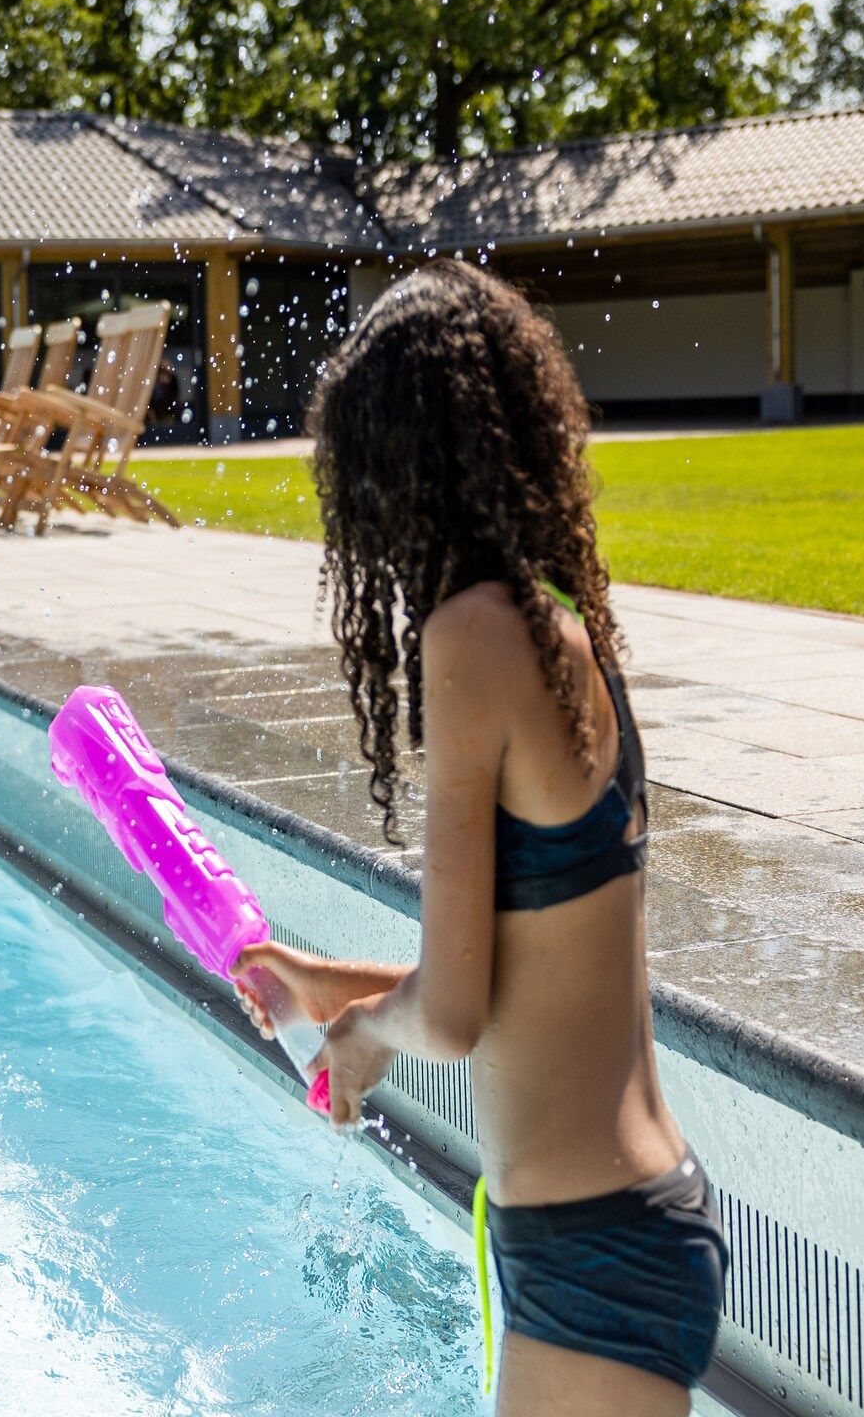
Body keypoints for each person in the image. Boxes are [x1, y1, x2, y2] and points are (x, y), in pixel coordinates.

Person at [233, 260, 727, 1414]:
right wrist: (334, 987)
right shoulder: (553, 626)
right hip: (616, 1230)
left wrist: (361, 1036)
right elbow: (523, 977)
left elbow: (450, 1020)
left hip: (594, 1254)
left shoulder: (473, 637)